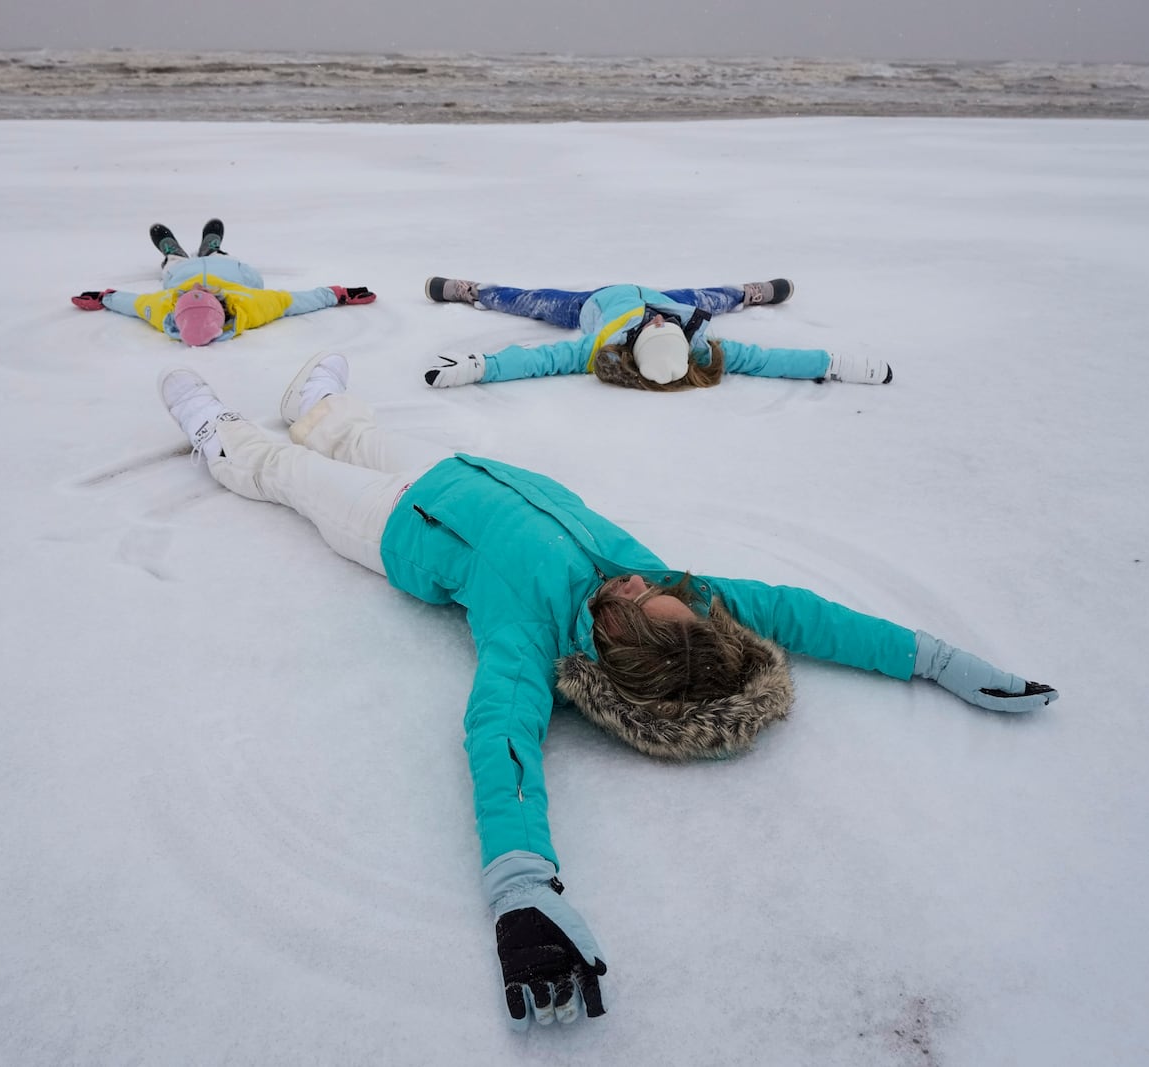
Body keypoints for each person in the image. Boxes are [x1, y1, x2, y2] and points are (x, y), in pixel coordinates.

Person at [154, 355, 1057, 1029]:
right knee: (354, 431)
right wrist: (934, 659)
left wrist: (521, 892)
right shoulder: (681, 594)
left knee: (287, 473)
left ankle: (219, 435)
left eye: (640, 599)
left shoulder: (535, 636)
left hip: (393, 525)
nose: (641, 580)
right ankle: (320, 405)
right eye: (660, 591)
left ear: (624, 640)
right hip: (461, 473)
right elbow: (807, 614)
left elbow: (499, 736)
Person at [422, 277, 893, 390]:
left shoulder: (600, 347)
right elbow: (768, 360)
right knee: (719, 297)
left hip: (592, 302)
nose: (659, 321)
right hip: (676, 294)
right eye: (664, 327)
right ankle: (754, 293)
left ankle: (471, 291)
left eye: (654, 328)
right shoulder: (692, 335)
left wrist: (480, 366)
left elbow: (541, 360)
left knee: (528, 299)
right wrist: (834, 365)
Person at [69, 220, 376, 346]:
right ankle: (213, 250)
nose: (198, 290)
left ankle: (173, 255)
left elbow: (133, 303)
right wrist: (338, 294)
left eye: (190, 295)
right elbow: (296, 300)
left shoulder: (164, 307)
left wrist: (105, 297)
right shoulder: (250, 306)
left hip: (183, 273)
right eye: (201, 294)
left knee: (175, 272)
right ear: (222, 306)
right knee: (231, 266)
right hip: (233, 272)